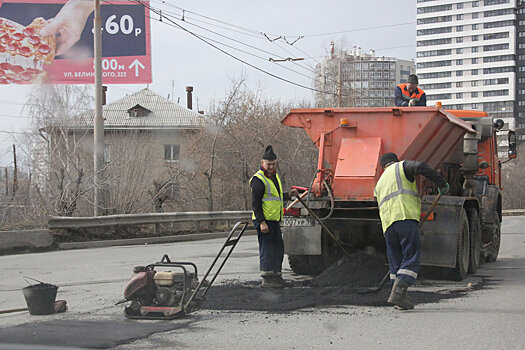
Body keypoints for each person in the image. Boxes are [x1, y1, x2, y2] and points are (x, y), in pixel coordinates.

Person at [374, 152, 449, 310]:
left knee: (396, 260)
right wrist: (441, 183)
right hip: (405, 217)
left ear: (382, 167)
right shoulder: (401, 167)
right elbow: (421, 167)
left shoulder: (379, 183)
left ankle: (397, 298)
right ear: (394, 161)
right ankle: (399, 292)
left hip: (388, 226)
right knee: (411, 255)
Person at [250, 145, 298, 288]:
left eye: (273, 164)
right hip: (264, 221)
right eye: (269, 164)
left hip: (275, 219)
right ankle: (267, 279)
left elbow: (275, 197)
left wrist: (288, 195)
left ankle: (277, 276)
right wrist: (261, 222)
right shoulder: (258, 180)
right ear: (262, 162)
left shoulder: (274, 176)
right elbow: (256, 204)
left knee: (278, 248)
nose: (271, 166)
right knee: (267, 249)